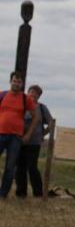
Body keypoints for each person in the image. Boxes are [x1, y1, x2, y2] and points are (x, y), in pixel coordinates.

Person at [1, 71, 39, 199]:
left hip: (16, 137)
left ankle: (2, 194)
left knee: (10, 166)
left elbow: (35, 117)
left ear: (22, 84)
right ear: (10, 81)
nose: (16, 84)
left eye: (19, 82)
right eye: (14, 81)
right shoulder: (2, 95)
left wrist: (28, 134)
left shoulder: (25, 98)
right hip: (1, 133)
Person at [15, 84, 53, 198]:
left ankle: (38, 192)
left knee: (32, 167)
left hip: (34, 143)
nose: (33, 94)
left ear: (39, 96)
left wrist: (43, 134)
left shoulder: (42, 108)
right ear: (28, 92)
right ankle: (21, 192)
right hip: (20, 141)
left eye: (36, 93)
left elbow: (51, 123)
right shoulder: (21, 105)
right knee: (20, 167)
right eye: (31, 92)